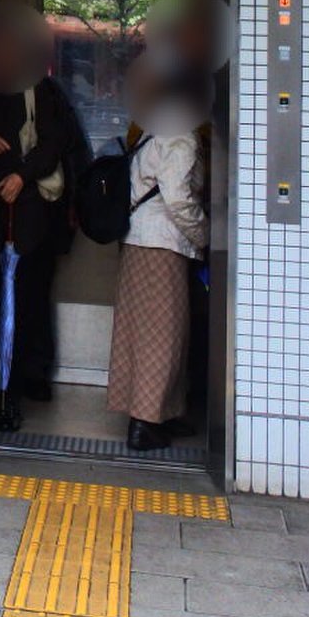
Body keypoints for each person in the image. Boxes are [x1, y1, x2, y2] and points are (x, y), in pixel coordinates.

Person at [0, 24, 89, 427]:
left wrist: (20, 177)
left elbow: (55, 144)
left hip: (29, 215)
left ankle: (18, 386)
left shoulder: (40, 89)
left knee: (22, 299)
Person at [106, 82, 208, 451]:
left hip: (137, 240)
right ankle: (145, 424)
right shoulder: (181, 137)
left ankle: (164, 411)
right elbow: (179, 198)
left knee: (140, 331)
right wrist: (204, 235)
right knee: (162, 335)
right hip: (162, 245)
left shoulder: (152, 131)